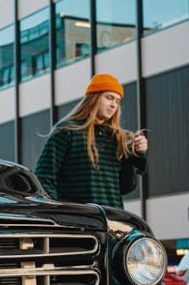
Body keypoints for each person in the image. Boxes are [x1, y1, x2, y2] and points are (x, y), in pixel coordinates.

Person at [34, 73, 148, 208]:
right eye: (109, 98)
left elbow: (124, 187)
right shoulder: (67, 130)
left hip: (112, 220)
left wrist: (139, 153)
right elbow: (44, 176)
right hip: (77, 221)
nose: (113, 105)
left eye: (117, 101)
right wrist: (59, 212)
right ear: (94, 98)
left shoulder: (116, 138)